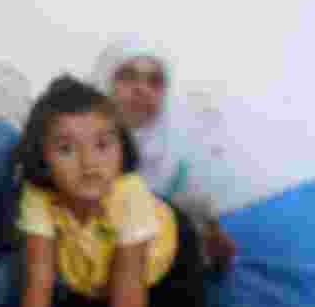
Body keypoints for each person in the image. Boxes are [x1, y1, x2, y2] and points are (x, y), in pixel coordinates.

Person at [13, 76, 211, 307]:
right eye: (66, 149)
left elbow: (129, 285)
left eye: (103, 145)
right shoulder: (38, 195)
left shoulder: (129, 194)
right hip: (94, 275)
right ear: (41, 160)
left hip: (167, 254)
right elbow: (38, 277)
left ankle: (208, 239)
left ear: (122, 148)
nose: (89, 162)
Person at [91, 35, 236, 270]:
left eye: (155, 82)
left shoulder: (178, 155)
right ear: (104, 82)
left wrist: (214, 240)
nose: (142, 89)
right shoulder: (70, 147)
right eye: (128, 76)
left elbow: (211, 238)